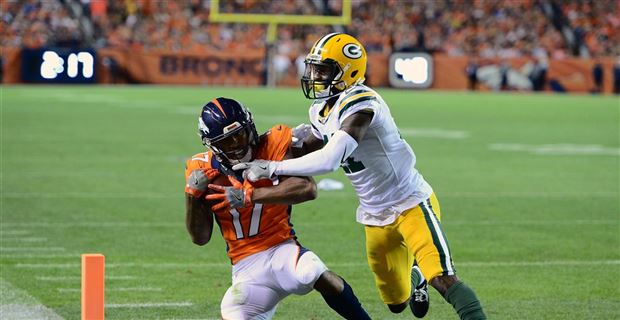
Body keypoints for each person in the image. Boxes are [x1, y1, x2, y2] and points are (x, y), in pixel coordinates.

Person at [234, 33, 487, 320]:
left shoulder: (362, 103)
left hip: (410, 203)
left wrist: (273, 168)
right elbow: (304, 143)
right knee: (396, 303)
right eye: (314, 68)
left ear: (349, 71)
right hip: (373, 214)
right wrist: (253, 150)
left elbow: (330, 159)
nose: (315, 75)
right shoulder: (322, 108)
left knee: (444, 279)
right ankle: (417, 275)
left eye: (324, 70)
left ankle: (430, 275)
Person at [184, 97, 371, 319]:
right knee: (233, 311)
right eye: (226, 141)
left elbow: (306, 188)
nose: (236, 144)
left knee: (314, 271)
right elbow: (200, 237)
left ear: (250, 128)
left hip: (283, 249)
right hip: (246, 268)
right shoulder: (201, 168)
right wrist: (192, 196)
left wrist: (249, 195)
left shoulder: (274, 143)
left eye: (239, 135)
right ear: (212, 145)